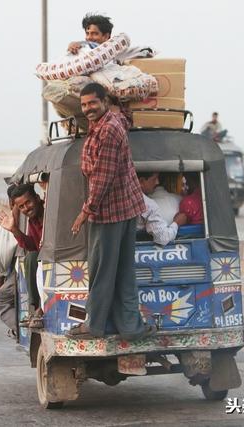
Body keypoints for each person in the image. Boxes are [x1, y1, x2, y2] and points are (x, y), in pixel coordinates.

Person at [68, 82, 153, 340]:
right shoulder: (113, 121)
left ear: (104, 101)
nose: (88, 109)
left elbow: (103, 177)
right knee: (123, 272)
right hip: (126, 210)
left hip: (109, 213)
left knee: (101, 273)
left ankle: (94, 325)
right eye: (83, 105)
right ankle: (131, 328)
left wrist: (85, 212)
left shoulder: (108, 131)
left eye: (93, 103)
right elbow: (125, 117)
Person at [0, 184, 44, 328]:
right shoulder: (32, 220)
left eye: (28, 202)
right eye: (21, 207)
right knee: (31, 256)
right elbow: (31, 245)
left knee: (31, 258)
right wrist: (14, 229)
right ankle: (35, 308)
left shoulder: (48, 213)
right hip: (42, 263)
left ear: (37, 198)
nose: (26, 208)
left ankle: (38, 309)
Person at [0, 185, 19, 337]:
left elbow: (1, 257)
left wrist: (0, 283)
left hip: (23, 268)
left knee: (1, 298)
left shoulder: (8, 222)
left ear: (10, 202)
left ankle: (21, 329)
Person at [138, 172, 187, 246]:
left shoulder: (120, 197)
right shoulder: (148, 204)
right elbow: (163, 238)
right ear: (141, 181)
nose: (157, 182)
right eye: (154, 179)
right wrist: (177, 222)